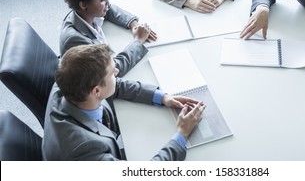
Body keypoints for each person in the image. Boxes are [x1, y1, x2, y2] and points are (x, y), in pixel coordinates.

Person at [42, 44, 205, 161]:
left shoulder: (68, 82)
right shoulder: (86, 150)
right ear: (96, 91)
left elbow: (116, 85)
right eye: (113, 73)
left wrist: (162, 97)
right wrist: (182, 135)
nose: (118, 73)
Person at [60, 0, 157, 78]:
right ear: (83, 5)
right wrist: (138, 40)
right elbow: (114, 70)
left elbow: (110, 9)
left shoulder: (84, 13)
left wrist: (133, 24)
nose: (108, 2)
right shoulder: (76, 41)